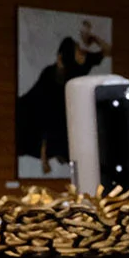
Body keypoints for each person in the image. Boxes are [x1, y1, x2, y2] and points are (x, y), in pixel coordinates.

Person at [15, 22, 111, 174]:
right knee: (45, 116)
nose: (81, 51)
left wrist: (93, 38)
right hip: (47, 102)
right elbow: (45, 111)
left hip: (64, 104)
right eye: (77, 49)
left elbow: (108, 51)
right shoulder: (53, 74)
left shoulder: (85, 62)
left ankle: (52, 152)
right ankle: (45, 152)